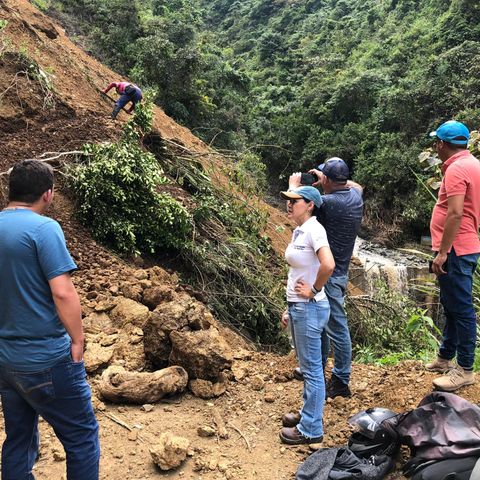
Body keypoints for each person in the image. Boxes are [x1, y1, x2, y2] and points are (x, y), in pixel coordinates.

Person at [0, 160, 100, 479]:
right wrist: (78, 340)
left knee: (18, 439)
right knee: (82, 438)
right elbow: (63, 292)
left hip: (6, 360)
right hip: (46, 358)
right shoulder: (44, 229)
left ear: (10, 190)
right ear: (48, 195)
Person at [290, 158, 363, 399]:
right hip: (339, 271)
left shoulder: (328, 203)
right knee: (320, 324)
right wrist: (328, 178)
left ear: (329, 181)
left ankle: (341, 380)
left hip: (328, 274)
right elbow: (356, 185)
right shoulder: (355, 195)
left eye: (323, 177)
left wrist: (295, 187)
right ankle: (317, 368)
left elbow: (300, 206)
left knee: (336, 328)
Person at [426, 120, 480, 392]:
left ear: (441, 144)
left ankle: (466, 369)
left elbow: (455, 213)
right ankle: (445, 357)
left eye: (436, 143)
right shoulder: (473, 164)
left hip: (456, 249)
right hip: (465, 245)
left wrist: (443, 252)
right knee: (451, 305)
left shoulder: (457, 169)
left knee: (461, 310)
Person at [279, 186, 335, 445]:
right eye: (288, 201)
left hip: (310, 308)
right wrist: (290, 306)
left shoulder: (315, 229)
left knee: (312, 370)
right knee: (312, 367)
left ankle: (311, 429)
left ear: (310, 204)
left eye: (295, 201)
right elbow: (298, 273)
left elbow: (329, 264)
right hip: (301, 308)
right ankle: (307, 414)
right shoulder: (300, 231)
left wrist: (313, 290)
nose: (289, 205)